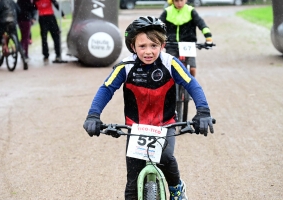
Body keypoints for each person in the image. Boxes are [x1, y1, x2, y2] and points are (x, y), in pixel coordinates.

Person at [83, 16, 214, 200]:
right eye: (142, 46)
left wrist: (203, 111)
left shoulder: (170, 62)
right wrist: (93, 115)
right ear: (133, 47)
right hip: (135, 128)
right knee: (132, 184)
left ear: (162, 45)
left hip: (165, 124)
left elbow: (192, 84)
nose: (148, 51)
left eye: (154, 45)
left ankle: (176, 188)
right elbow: (106, 89)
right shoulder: (125, 66)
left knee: (166, 158)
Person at [160, 0, 213, 77]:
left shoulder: (190, 10)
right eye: (177, 1)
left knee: (192, 69)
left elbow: (201, 24)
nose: (179, 3)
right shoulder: (167, 11)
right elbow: (157, 26)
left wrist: (208, 37)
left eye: (181, 0)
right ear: (173, 1)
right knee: (169, 69)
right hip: (171, 44)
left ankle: (192, 87)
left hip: (188, 44)